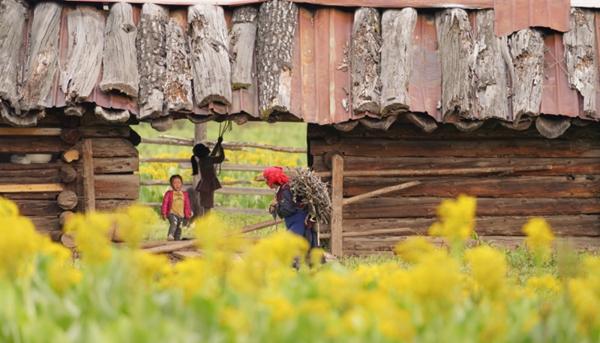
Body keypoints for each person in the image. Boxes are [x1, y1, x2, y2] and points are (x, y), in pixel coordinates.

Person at [263, 166, 318, 249]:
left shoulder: (285, 190)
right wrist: (275, 206)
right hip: (294, 221)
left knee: (289, 244)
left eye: (267, 178)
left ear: (272, 179)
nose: (265, 181)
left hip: (298, 221)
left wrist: (276, 207)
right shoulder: (282, 189)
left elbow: (288, 210)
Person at [191, 137, 225, 214]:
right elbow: (221, 158)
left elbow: (213, 154)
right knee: (207, 206)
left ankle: (205, 222)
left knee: (206, 205)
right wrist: (221, 148)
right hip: (208, 186)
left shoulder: (203, 160)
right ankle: (206, 223)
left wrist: (218, 144)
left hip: (205, 185)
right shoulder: (207, 160)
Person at [161, 175, 192, 241]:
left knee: (179, 227)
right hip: (172, 213)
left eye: (179, 182)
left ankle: (177, 240)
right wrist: (164, 213)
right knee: (174, 223)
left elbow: (187, 205)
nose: (177, 185)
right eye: (175, 183)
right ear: (171, 185)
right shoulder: (169, 194)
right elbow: (165, 203)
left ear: (182, 184)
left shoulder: (184, 194)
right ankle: (170, 235)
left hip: (181, 215)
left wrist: (188, 214)